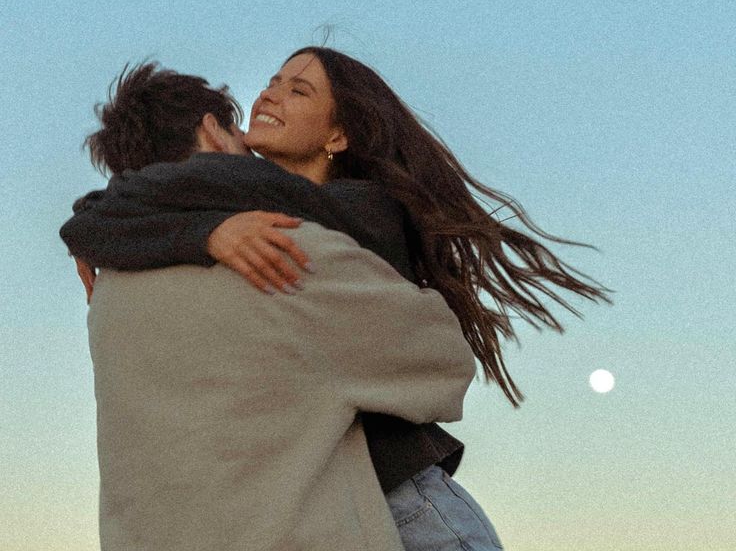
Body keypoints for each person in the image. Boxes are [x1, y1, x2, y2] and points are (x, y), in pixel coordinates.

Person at [65, 49, 610, 549]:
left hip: (365, 504)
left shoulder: (116, 273)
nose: (269, 95)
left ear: (338, 137)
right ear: (213, 133)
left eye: (298, 91)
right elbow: (442, 365)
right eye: (275, 82)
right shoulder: (269, 242)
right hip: (364, 502)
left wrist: (100, 221)